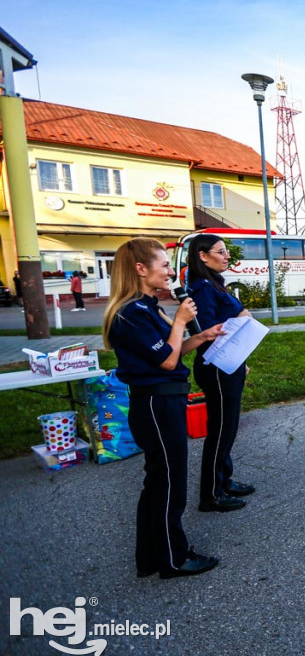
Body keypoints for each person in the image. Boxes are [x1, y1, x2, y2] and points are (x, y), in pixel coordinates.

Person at [101, 237, 223, 579]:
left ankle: (151, 557)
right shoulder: (130, 313)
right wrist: (181, 321)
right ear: (140, 269)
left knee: (158, 482)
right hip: (156, 403)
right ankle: (174, 558)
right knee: (169, 483)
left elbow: (169, 352)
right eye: (164, 264)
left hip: (164, 399)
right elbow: (167, 362)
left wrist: (199, 337)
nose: (171, 271)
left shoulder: (146, 306)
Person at [187, 233, 256, 513]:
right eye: (220, 251)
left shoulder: (216, 284)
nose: (227, 256)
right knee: (221, 431)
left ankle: (223, 479)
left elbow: (236, 317)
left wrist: (240, 359)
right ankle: (211, 495)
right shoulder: (203, 288)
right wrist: (240, 320)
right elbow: (208, 330)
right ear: (203, 256)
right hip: (216, 365)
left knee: (228, 428)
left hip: (229, 362)